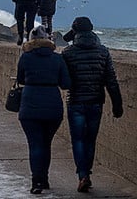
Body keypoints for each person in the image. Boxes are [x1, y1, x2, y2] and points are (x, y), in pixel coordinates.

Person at [61, 17, 123, 193]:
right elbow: (111, 80)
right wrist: (117, 104)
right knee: (90, 140)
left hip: (76, 102)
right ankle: (87, 171)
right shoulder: (103, 51)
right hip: (96, 102)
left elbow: (64, 81)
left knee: (78, 139)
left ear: (75, 31)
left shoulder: (68, 52)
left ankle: (83, 175)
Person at [16, 25, 71, 194]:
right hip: (52, 107)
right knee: (46, 144)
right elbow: (66, 84)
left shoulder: (26, 57)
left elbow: (20, 79)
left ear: (32, 40)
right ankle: (44, 178)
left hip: (30, 106)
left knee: (35, 145)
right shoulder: (57, 59)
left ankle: (37, 182)